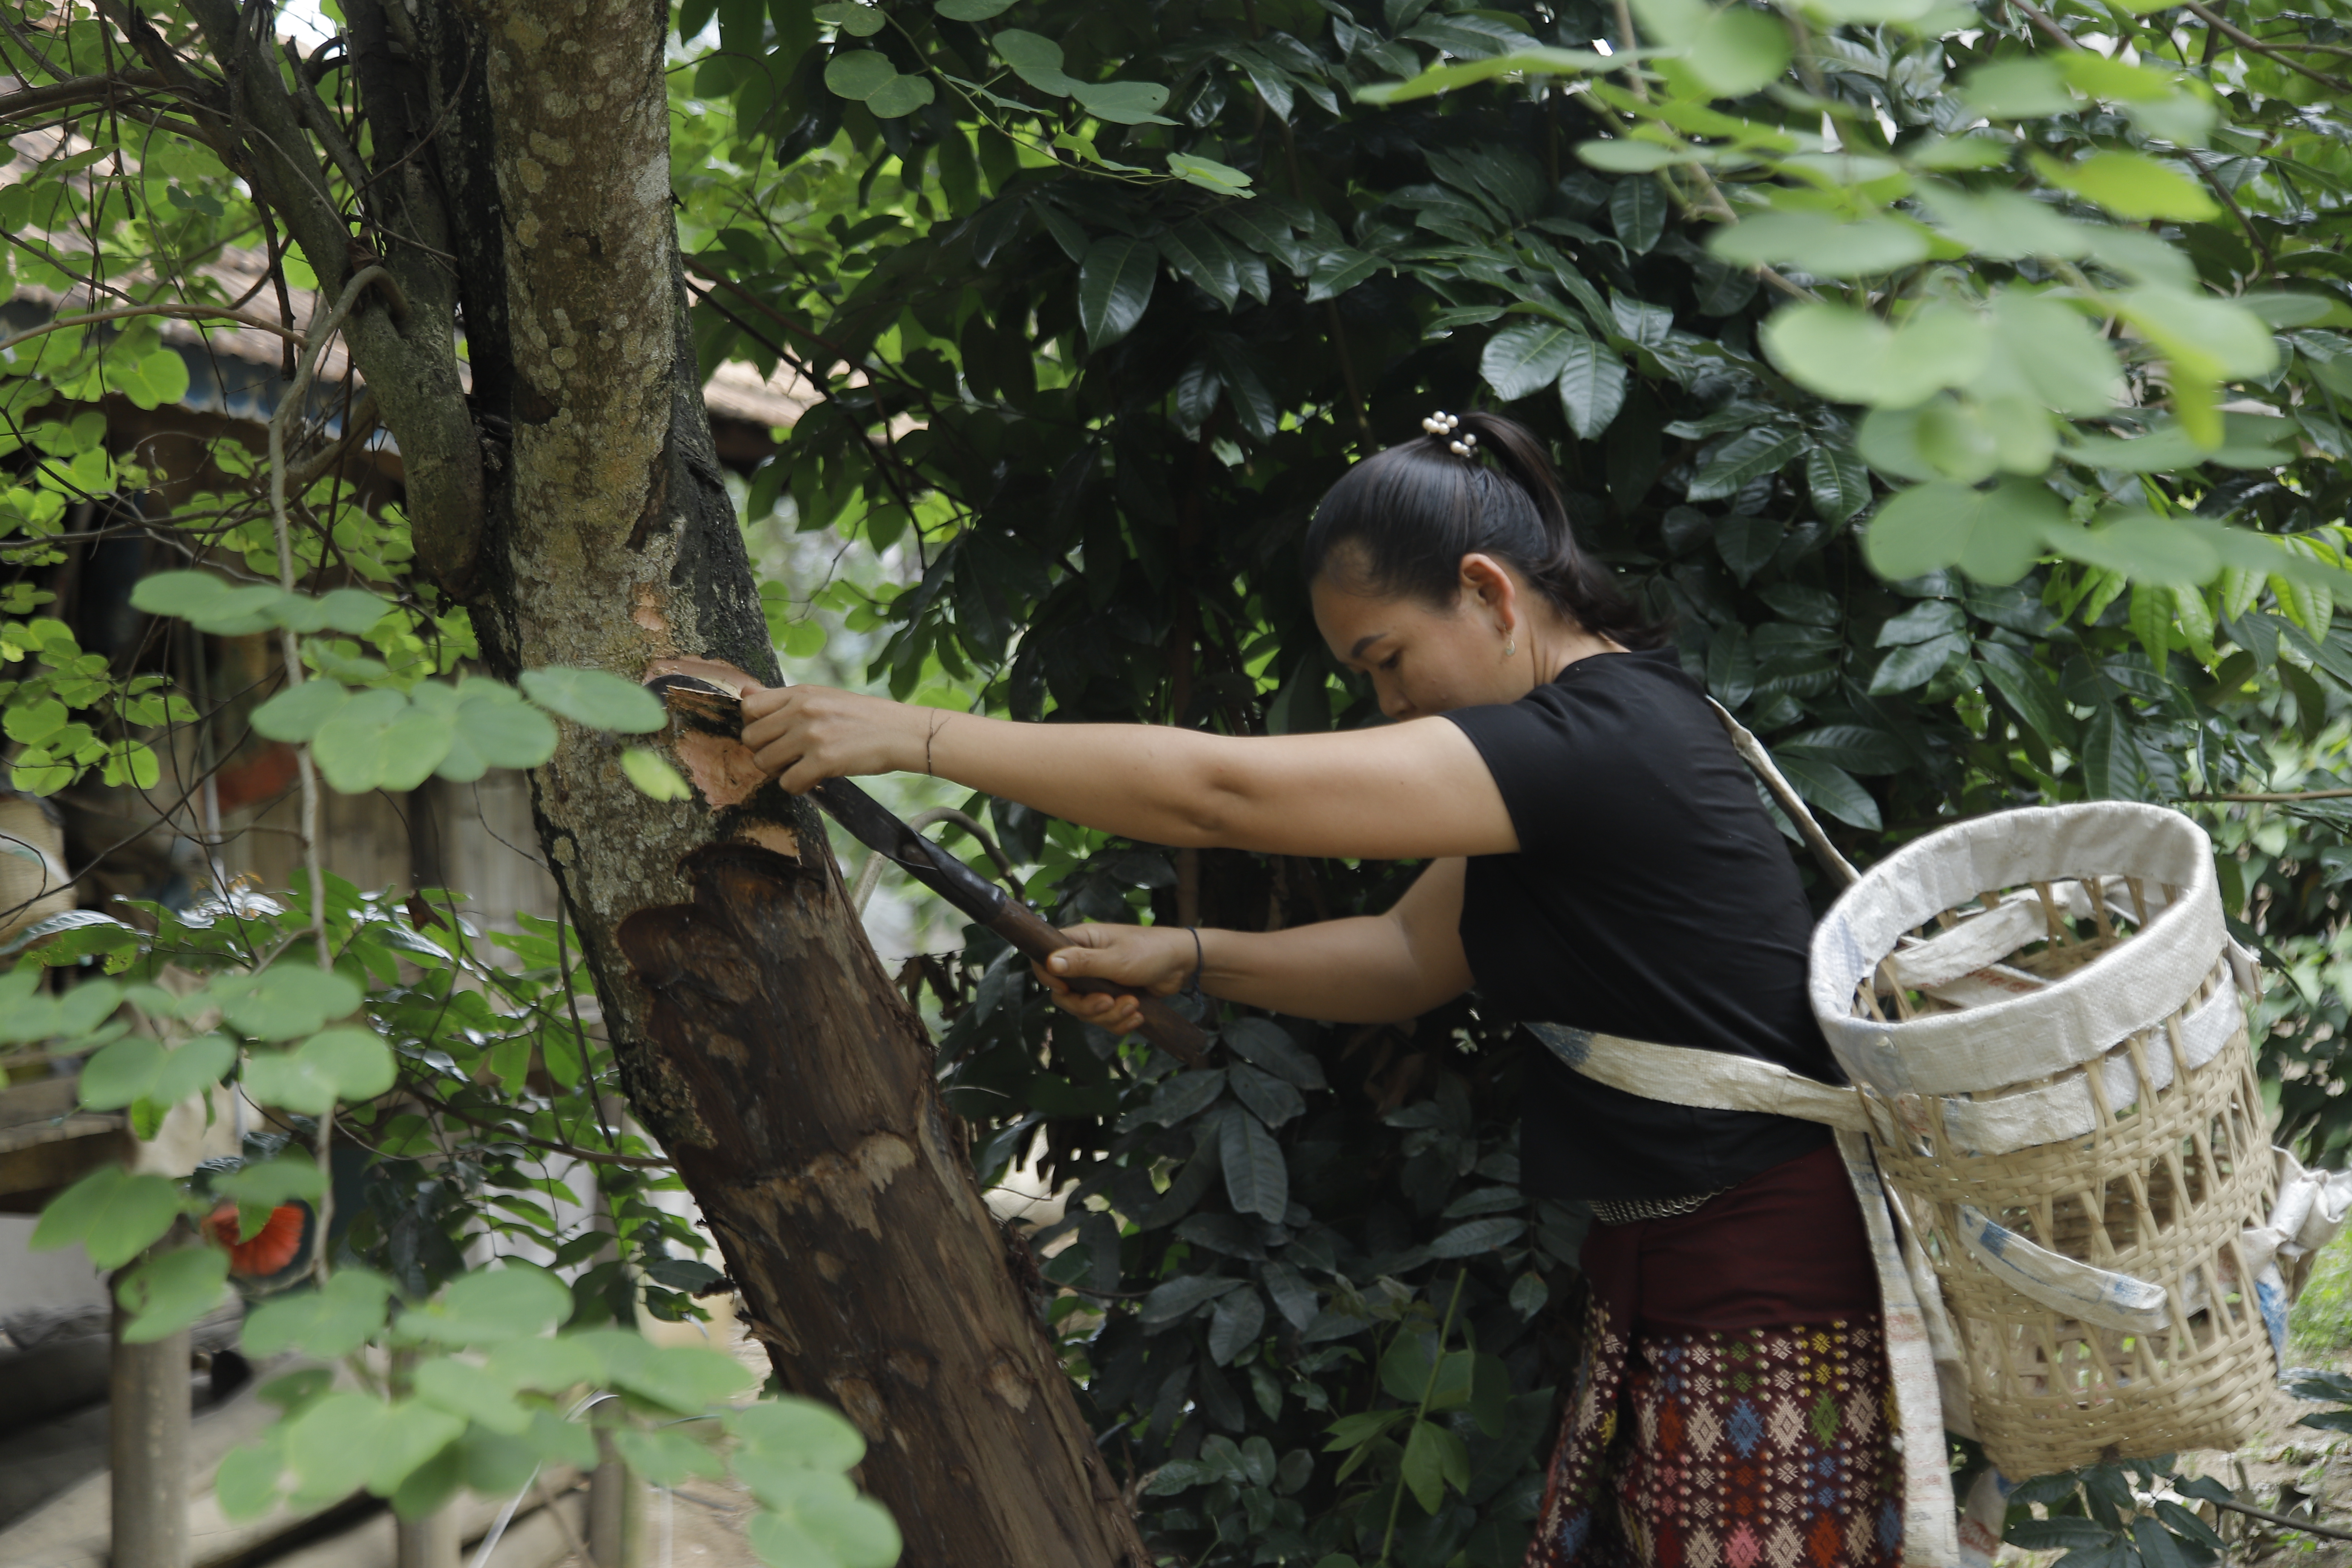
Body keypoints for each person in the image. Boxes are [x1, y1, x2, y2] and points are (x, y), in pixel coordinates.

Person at [739, 409, 1898, 1568]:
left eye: (1387, 661)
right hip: (1676, 1272)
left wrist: (913, 733)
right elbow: (1409, 957)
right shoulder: (1587, 744)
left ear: (1491, 595)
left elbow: (1218, 794)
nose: (1388, 707)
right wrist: (1188, 956)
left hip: (1766, 1286)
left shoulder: (1600, 741)